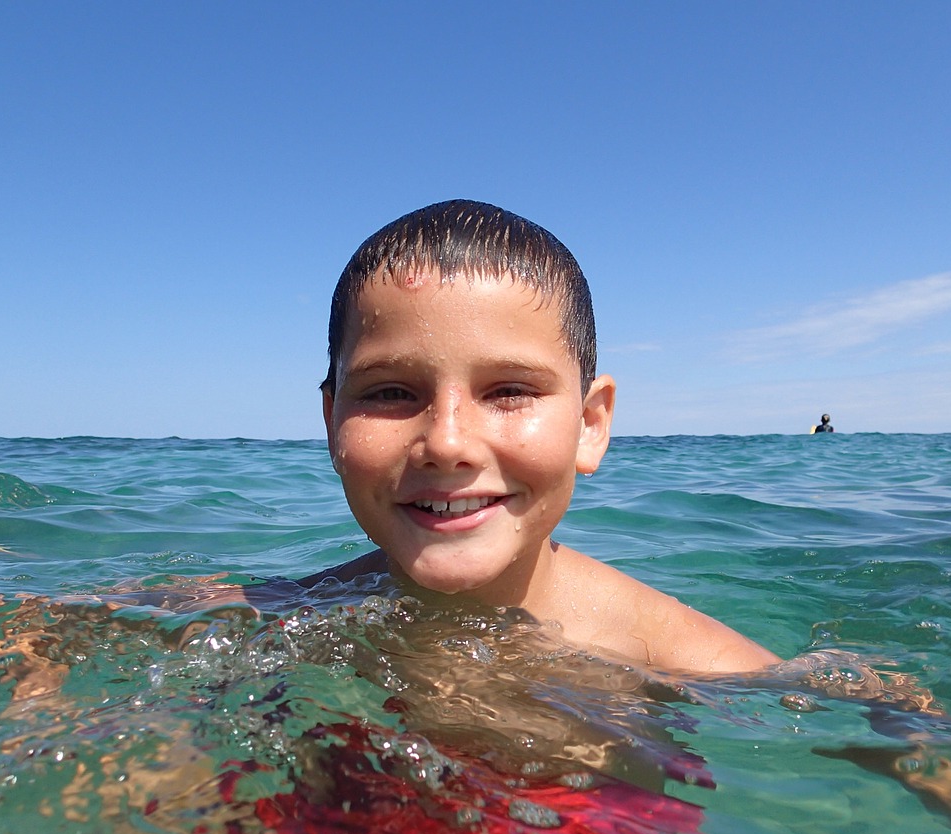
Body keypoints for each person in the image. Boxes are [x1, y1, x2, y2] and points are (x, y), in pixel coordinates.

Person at [306, 199, 779, 675]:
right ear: (332, 424)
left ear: (590, 425)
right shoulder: (267, 618)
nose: (447, 444)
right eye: (390, 392)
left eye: (510, 391)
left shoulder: (710, 670)